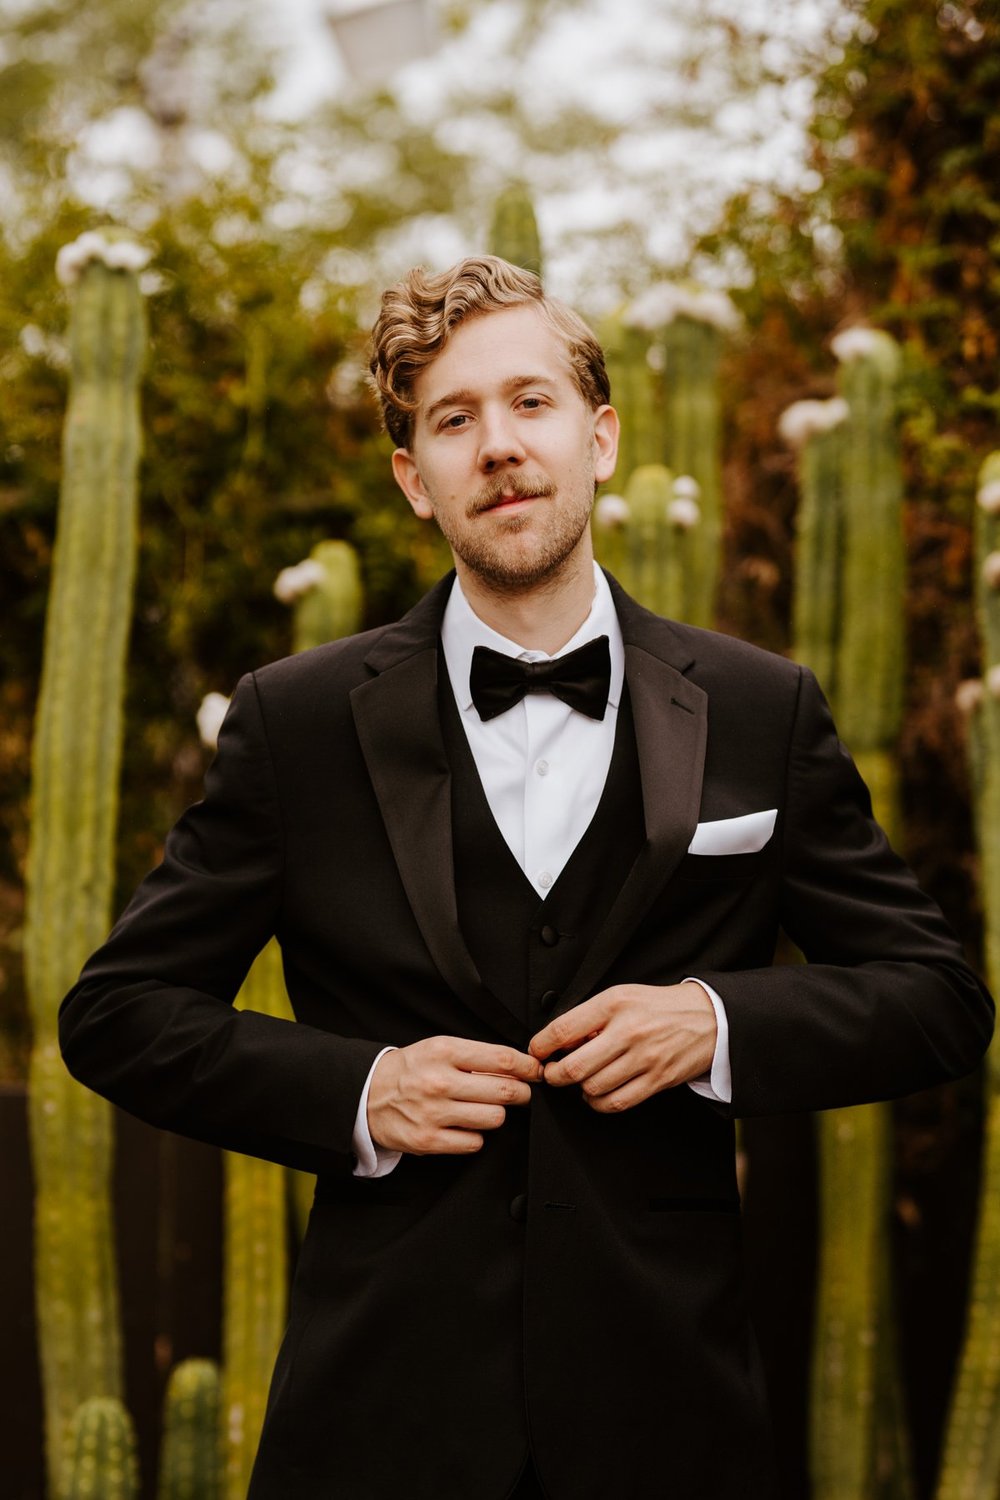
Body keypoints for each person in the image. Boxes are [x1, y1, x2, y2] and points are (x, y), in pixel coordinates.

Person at [60, 255, 993, 1500]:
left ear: (599, 438)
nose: (497, 445)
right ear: (414, 479)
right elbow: (116, 1015)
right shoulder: (301, 721)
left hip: (670, 1424)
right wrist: (362, 1090)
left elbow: (937, 995)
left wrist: (711, 1022)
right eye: (453, 420)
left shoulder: (761, 709)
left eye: (530, 403)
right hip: (377, 1424)